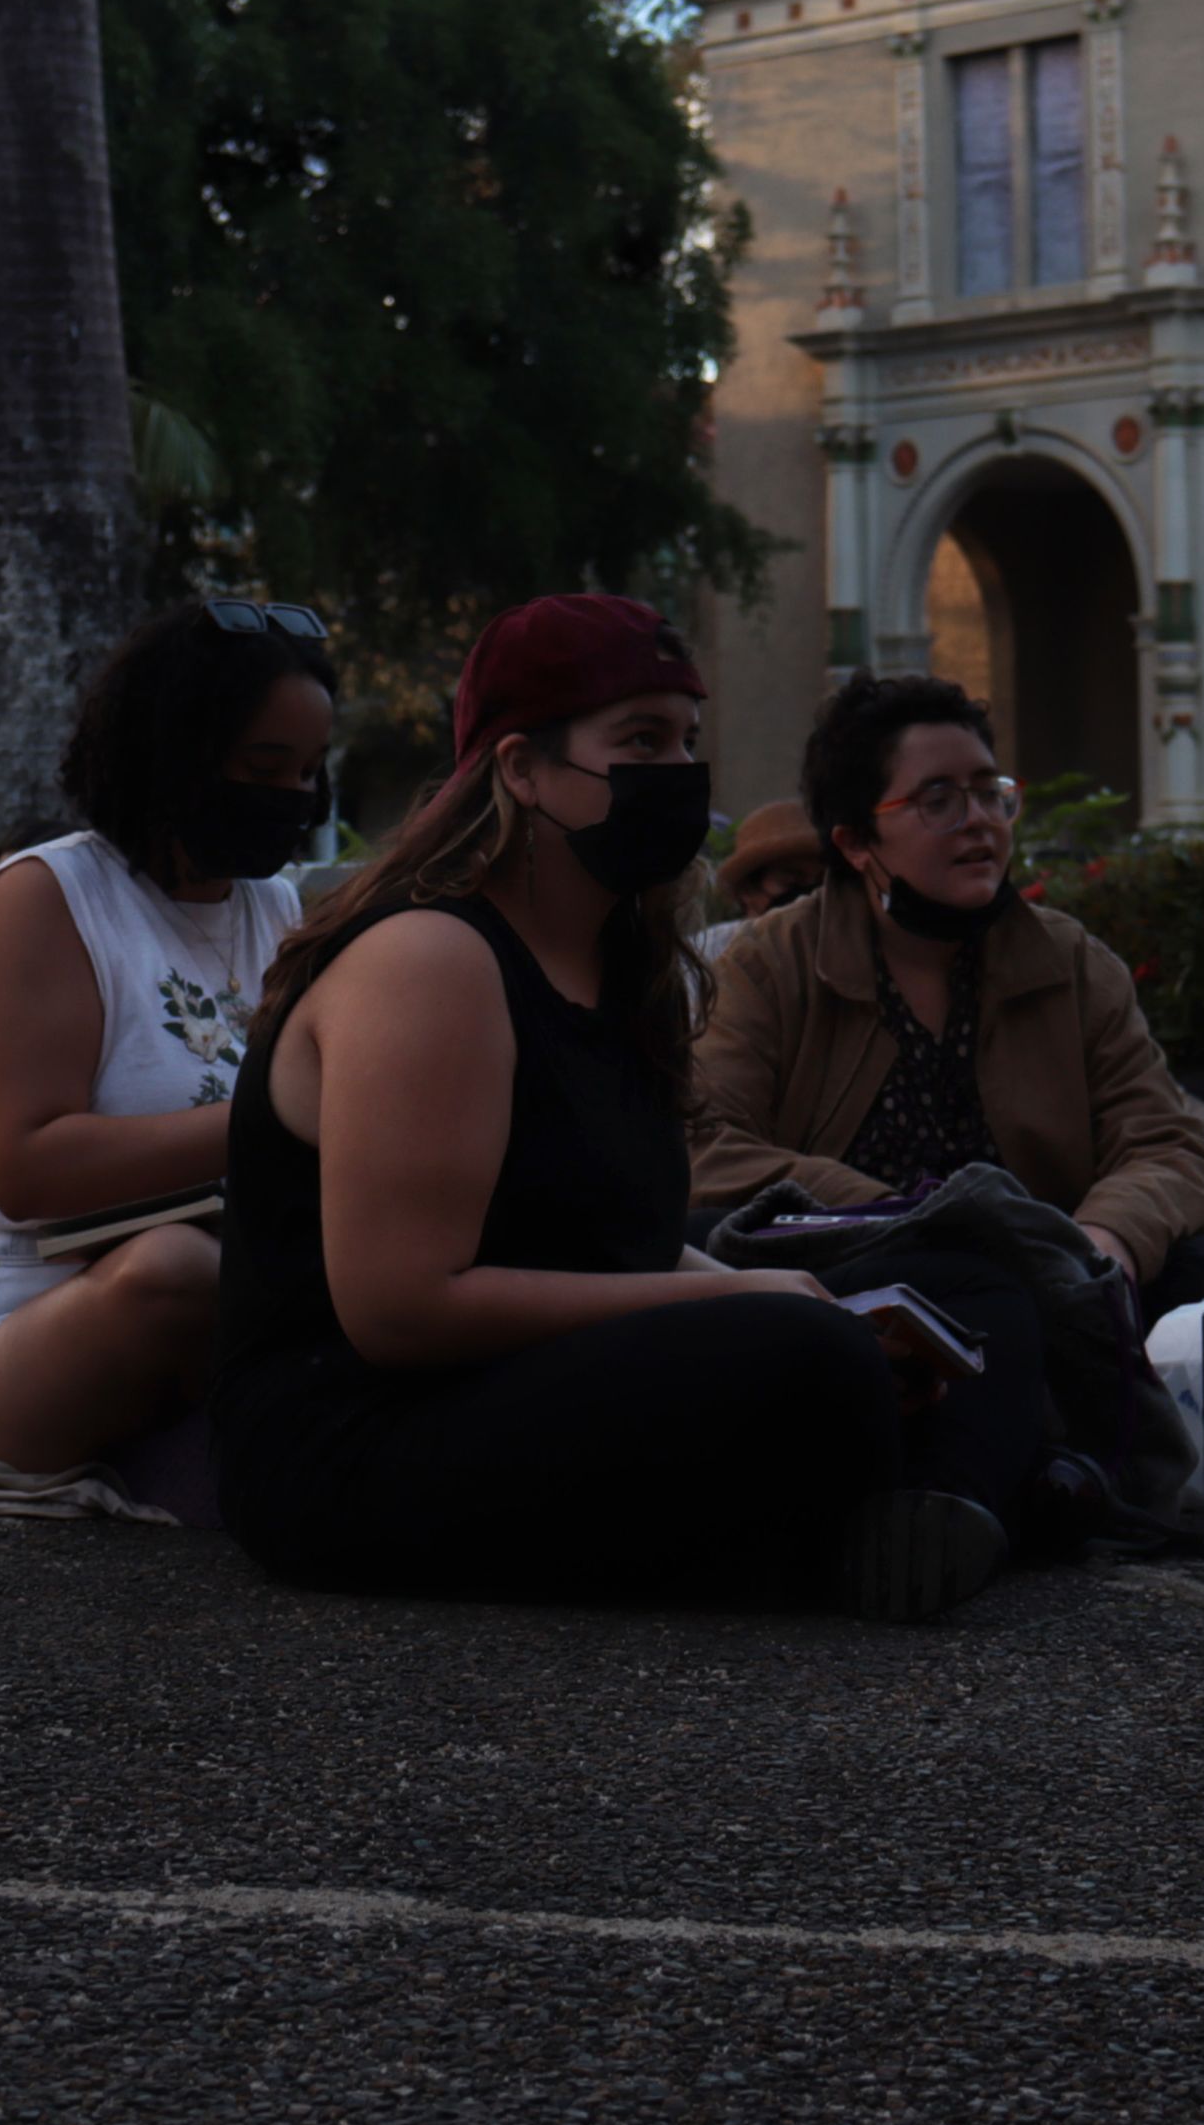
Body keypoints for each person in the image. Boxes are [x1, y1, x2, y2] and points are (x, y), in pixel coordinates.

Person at [217, 595, 1048, 1621]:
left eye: (688, 738)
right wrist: (746, 1303)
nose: (679, 769)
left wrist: (795, 1294)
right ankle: (963, 1495)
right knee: (807, 1358)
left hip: (526, 1383)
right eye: (641, 739)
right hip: (360, 1438)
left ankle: (944, 1508)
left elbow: (624, 1245)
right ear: (520, 769)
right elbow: (401, 1309)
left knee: (963, 1277)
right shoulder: (429, 959)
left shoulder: (623, 966)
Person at [0, 599, 332, 1467]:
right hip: (31, 1328)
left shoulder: (277, 906)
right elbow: (25, 1168)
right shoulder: (47, 896)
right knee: (175, 1271)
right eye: (267, 765)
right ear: (176, 757)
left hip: (239, 1297)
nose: (295, 796)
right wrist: (279, 1115)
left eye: (310, 770)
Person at [690, 673, 1204, 1301]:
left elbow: (1169, 1144)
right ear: (856, 841)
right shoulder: (770, 965)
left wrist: (1107, 1239)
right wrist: (898, 1216)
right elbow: (703, 1147)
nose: (979, 822)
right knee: (966, 1284)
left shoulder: (1068, 963)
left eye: (989, 793)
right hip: (852, 1276)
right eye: (938, 800)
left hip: (1048, 1274)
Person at [693, 796, 826, 972]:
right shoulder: (706, 954)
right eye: (791, 882)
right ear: (747, 889)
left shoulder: (839, 954)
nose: (807, 896)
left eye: (819, 883)